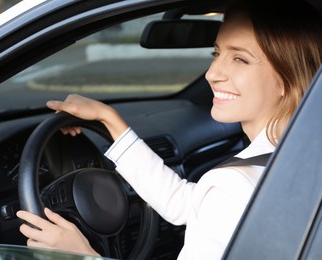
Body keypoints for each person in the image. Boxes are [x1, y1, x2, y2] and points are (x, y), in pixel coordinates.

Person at [16, 0, 322, 259]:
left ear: (286, 77)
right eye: (216, 54)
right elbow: (187, 205)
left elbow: (218, 199)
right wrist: (108, 119)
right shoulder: (298, 161)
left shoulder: (233, 186)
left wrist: (83, 255)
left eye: (240, 59)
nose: (212, 73)